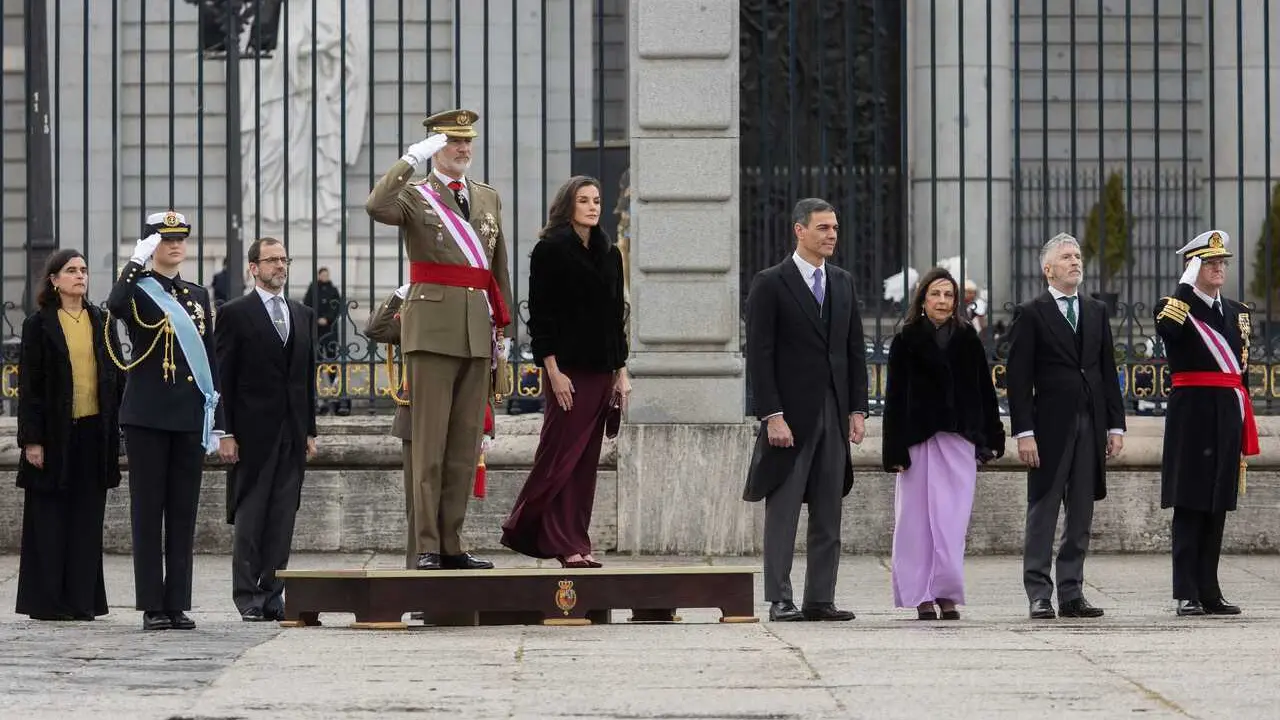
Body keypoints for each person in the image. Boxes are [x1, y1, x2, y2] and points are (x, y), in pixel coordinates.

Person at [365, 108, 513, 571]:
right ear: (435, 148)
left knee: (464, 447)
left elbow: (496, 266)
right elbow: (375, 206)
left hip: (475, 331)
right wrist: (411, 159)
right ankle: (426, 544)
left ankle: (452, 543)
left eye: (468, 142)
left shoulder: (487, 197)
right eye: (454, 143)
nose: (464, 150)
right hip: (431, 331)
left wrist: (503, 329)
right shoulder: (414, 196)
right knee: (427, 447)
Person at [743, 197, 868, 622]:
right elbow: (760, 356)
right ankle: (780, 598)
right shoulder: (770, 283)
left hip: (833, 414)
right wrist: (771, 414)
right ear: (800, 230)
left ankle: (820, 598)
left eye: (834, 228)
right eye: (823, 228)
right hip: (789, 418)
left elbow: (853, 351)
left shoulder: (844, 282)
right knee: (783, 512)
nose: (832, 235)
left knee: (829, 508)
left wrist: (857, 409)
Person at [500, 176, 629, 568]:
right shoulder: (549, 251)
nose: (593, 207)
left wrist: (621, 373)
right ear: (567, 205)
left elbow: (615, 319)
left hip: (602, 370)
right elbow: (541, 317)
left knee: (585, 463)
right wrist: (553, 372)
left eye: (597, 200)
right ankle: (530, 528)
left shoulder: (610, 253)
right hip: (568, 371)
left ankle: (576, 542)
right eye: (584, 200)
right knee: (559, 457)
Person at [106, 210, 223, 631]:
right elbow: (114, 305)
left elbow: (209, 358)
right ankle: (152, 604)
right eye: (165, 239)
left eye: (180, 239)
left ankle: (177, 602)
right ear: (152, 244)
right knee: (148, 512)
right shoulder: (136, 290)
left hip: (189, 415)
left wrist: (218, 420)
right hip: (148, 416)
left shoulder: (196, 294)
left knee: (182, 513)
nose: (174, 246)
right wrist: (135, 262)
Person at [1006, 232, 1126, 620]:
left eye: (1078, 256)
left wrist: (1116, 426)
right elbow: (1019, 380)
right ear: (1048, 269)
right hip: (1049, 428)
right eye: (1067, 257)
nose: (1076, 262)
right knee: (1043, 511)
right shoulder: (1032, 312)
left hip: (1091, 424)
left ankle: (1072, 592)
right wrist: (1024, 433)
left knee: (1081, 513)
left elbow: (1107, 370)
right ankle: (1039, 592)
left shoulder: (1095, 310)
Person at [881, 268, 1004, 621]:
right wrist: (894, 450)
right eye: (935, 294)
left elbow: (984, 391)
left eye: (948, 295)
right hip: (918, 440)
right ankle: (921, 595)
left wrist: (993, 436)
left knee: (951, 524)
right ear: (923, 299)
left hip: (958, 440)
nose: (942, 301)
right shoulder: (906, 339)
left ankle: (946, 594)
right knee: (915, 524)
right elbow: (894, 398)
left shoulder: (967, 339)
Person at [1153, 230, 1258, 616]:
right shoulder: (1173, 305)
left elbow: (1241, 371)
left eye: (1221, 262)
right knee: (1190, 501)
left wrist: (1246, 416)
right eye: (1208, 262)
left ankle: (1210, 590)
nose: (1218, 268)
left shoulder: (1237, 311)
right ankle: (1186, 591)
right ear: (1191, 266)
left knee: (1217, 502)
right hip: (1192, 412)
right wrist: (1184, 286)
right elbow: (1169, 332)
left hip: (1227, 411)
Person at [15, 249, 124, 621]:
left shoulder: (102, 320)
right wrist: (32, 439)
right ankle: (48, 603)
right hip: (54, 435)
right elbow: (31, 387)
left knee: (86, 520)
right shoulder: (39, 323)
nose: (80, 276)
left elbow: (114, 376)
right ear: (54, 280)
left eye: (83, 270)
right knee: (50, 519)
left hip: (94, 433)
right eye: (71, 271)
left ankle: (82, 601)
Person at [215, 237, 317, 622]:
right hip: (251, 434)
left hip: (292, 433)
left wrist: (309, 431)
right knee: (250, 517)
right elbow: (223, 377)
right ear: (253, 268)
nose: (280, 266)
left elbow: (305, 379)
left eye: (284, 259)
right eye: (272, 260)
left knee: (282, 518)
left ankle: (274, 594)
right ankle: (247, 595)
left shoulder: (302, 313)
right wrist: (224, 431)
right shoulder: (235, 313)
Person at [364, 284, 416, 569]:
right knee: (418, 505)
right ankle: (419, 573)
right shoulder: (412, 313)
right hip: (417, 416)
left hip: (455, 416)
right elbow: (374, 329)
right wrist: (399, 295)